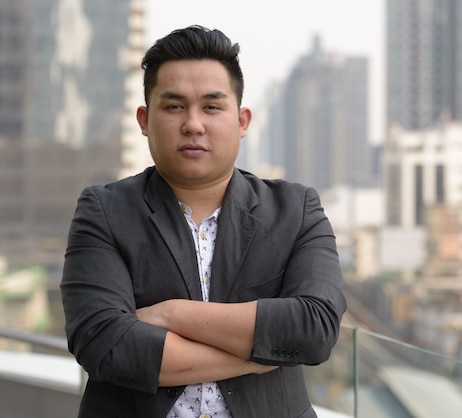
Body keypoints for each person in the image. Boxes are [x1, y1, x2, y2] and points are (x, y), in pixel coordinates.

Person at [60, 25, 346, 418]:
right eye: (174, 106)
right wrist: (261, 353)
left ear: (242, 121)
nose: (193, 124)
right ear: (144, 119)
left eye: (212, 107)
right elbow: (104, 344)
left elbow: (314, 328)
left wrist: (171, 314)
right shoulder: (105, 211)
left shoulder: (296, 210)